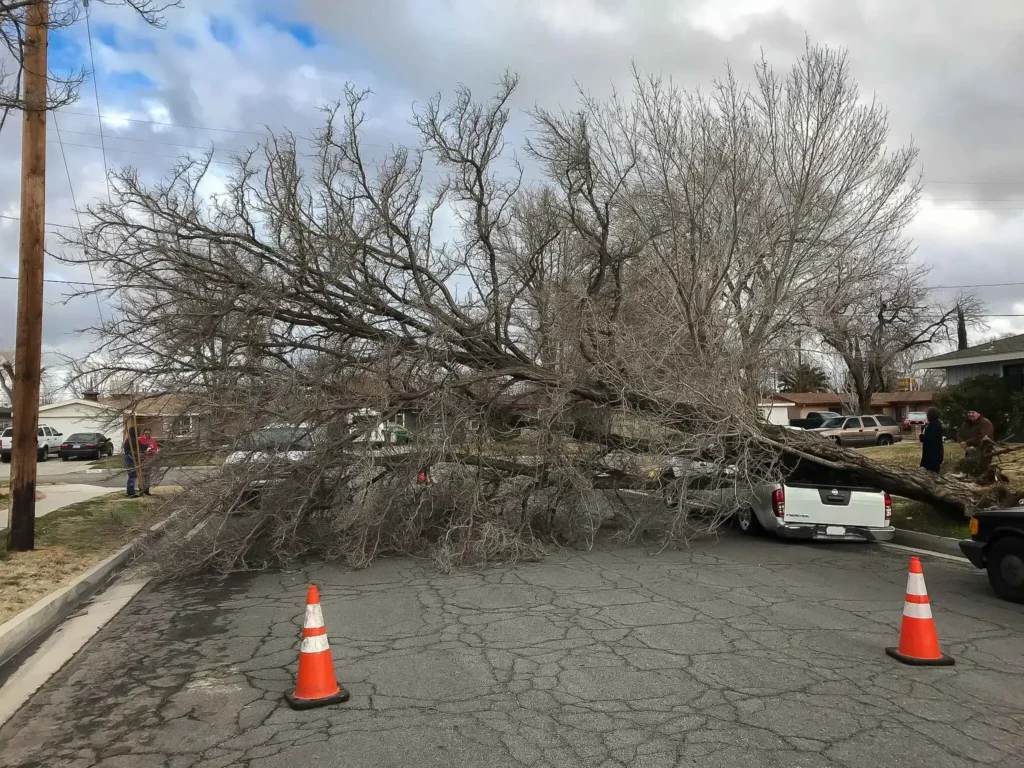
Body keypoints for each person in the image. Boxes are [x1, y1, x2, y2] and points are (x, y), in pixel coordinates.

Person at [919, 406, 944, 473]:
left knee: (932, 472)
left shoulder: (934, 425)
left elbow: (931, 438)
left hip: (933, 454)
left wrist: (922, 436)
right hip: (932, 452)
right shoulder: (933, 424)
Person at [138, 428, 160, 496]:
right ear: (143, 433)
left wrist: (154, 452)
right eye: (146, 433)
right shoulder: (140, 440)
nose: (147, 435)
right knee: (142, 476)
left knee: (147, 476)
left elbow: (156, 449)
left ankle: (147, 490)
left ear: (150, 433)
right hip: (142, 460)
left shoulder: (152, 440)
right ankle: (141, 490)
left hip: (149, 460)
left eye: (148, 433)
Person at [123, 426, 141, 498]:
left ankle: (130, 491)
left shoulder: (131, 439)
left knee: (132, 475)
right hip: (130, 459)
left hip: (130, 459)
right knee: (132, 475)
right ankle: (130, 492)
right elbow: (128, 451)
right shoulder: (131, 440)